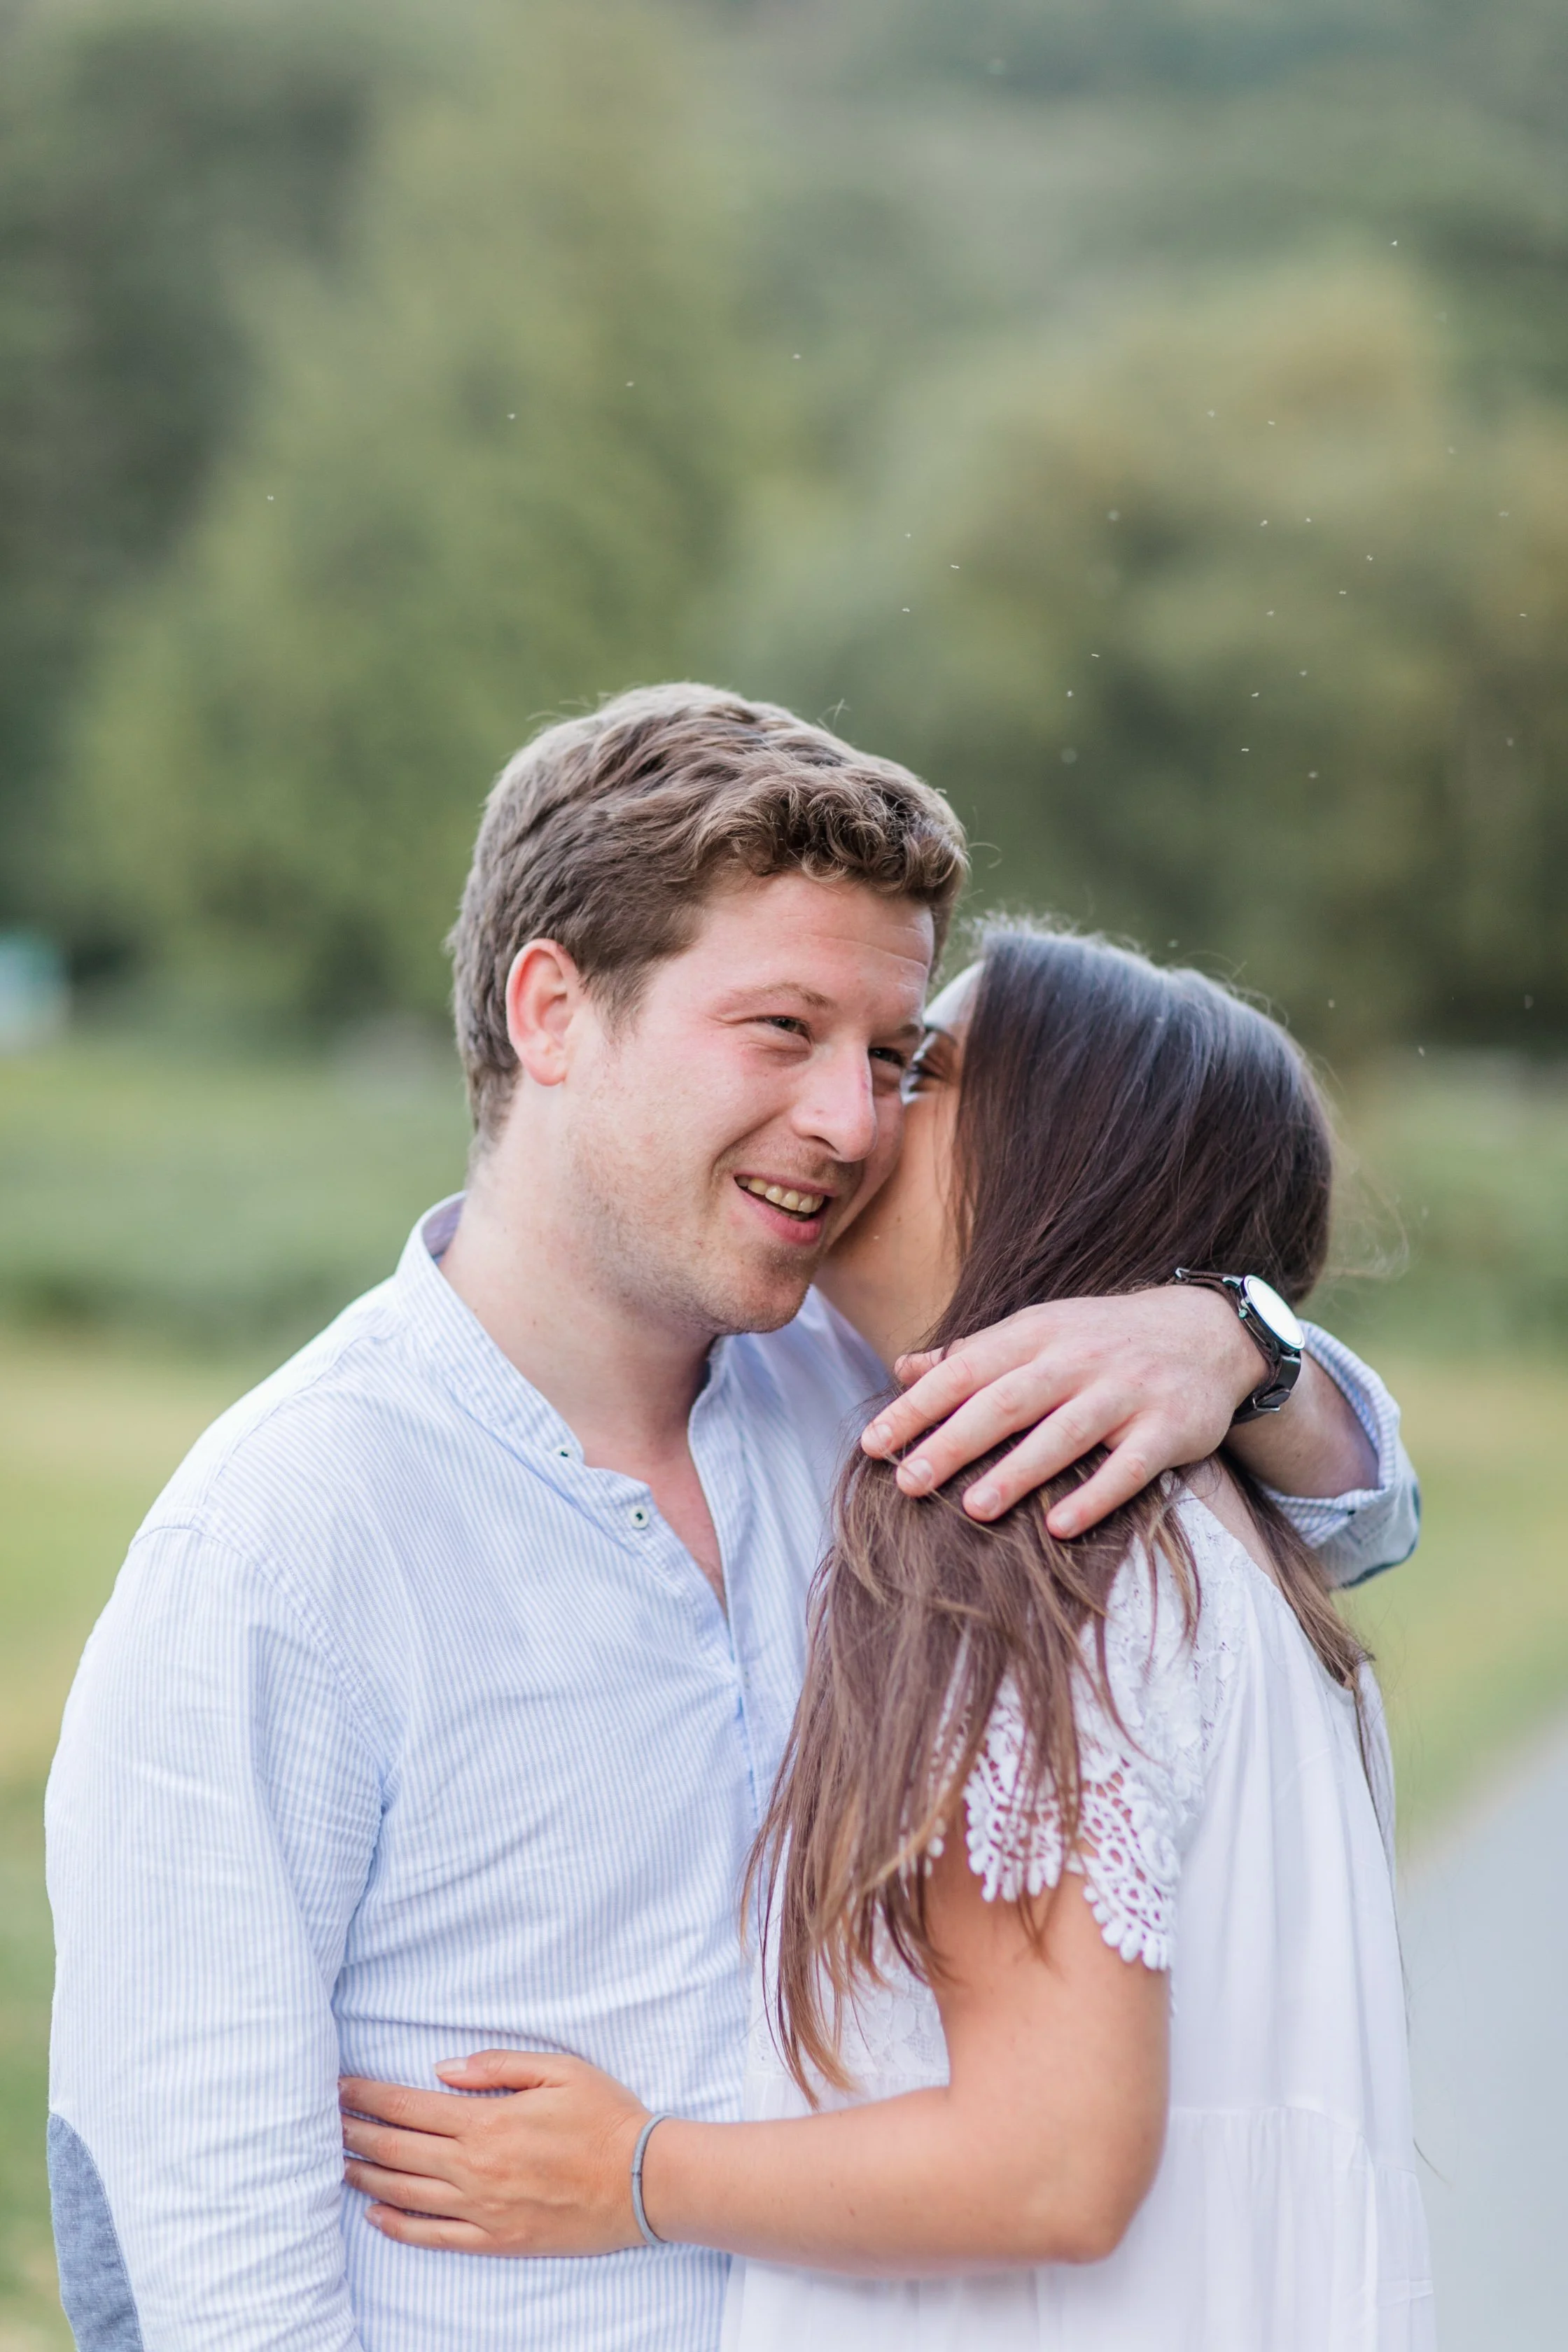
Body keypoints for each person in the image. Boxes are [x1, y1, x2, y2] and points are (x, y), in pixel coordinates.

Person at [48, 687, 1417, 2352]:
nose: (852, 1122)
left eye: (893, 1057)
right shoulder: (283, 1542)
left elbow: (1344, 1522)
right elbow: (192, 2247)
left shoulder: (896, 1402)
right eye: (782, 1030)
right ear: (552, 1011)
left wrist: (1237, 1338)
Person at [337, 927, 1432, 2349]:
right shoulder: (1230, 1534)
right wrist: (1230, 1325)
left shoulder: (1037, 1554)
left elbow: (1053, 2166)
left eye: (918, 1071)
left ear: (1066, 1153)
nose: (853, 1121)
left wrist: (629, 2174)